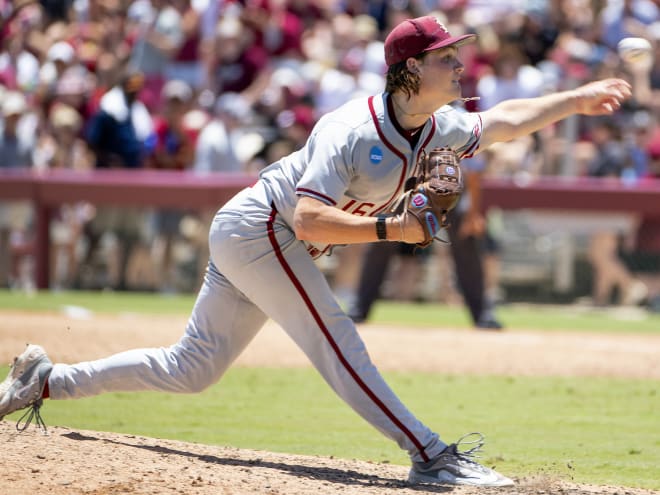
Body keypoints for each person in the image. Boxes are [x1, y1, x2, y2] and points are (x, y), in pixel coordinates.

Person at [0, 15, 632, 488]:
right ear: (410, 69)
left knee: (190, 369)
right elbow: (306, 215)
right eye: (447, 56)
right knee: (336, 336)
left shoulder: (438, 125)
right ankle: (433, 455)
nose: (460, 65)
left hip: (258, 235)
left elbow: (503, 120)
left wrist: (574, 100)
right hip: (262, 229)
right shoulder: (350, 129)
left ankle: (46, 380)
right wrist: (393, 230)